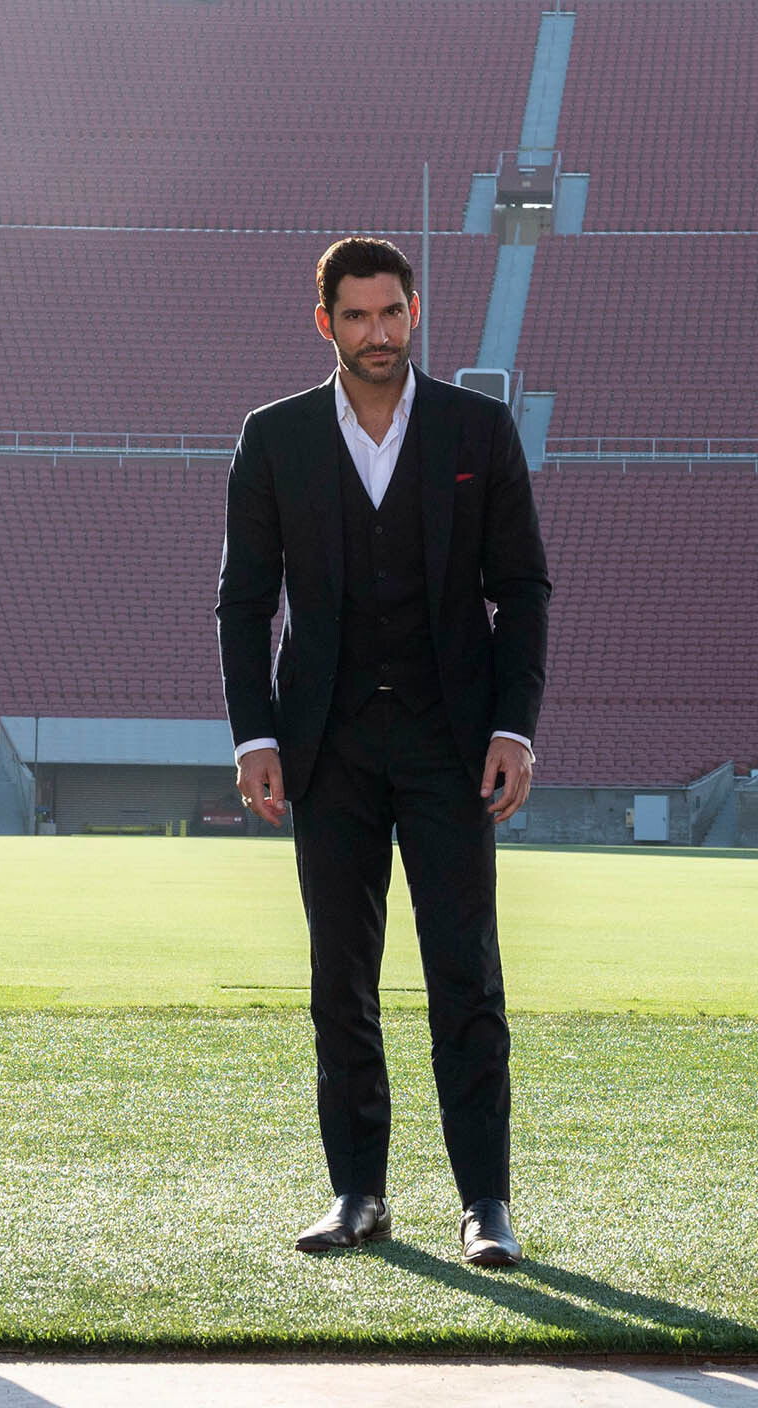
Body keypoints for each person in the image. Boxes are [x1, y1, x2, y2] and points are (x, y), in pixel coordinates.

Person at [216, 237, 551, 1266]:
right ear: (326, 323)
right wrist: (256, 735)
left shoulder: (476, 429)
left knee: (466, 976)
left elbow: (522, 589)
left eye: (392, 313)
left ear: (415, 312)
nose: (377, 333)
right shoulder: (273, 436)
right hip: (327, 748)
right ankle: (358, 1193)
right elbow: (244, 601)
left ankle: (485, 1203)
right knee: (341, 980)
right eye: (356, 316)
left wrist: (513, 727)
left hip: (453, 745)